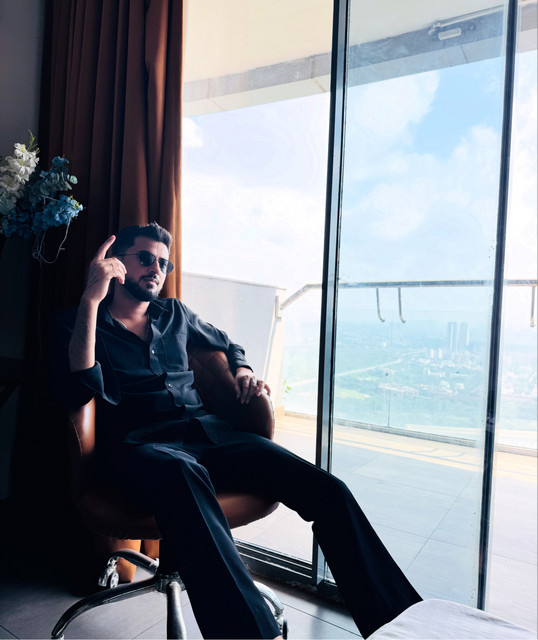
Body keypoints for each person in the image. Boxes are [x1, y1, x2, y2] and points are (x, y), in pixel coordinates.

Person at [51, 222, 421, 639]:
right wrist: (91, 298)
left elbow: (227, 343)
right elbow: (76, 390)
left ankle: (400, 624)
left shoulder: (175, 314)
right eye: (145, 259)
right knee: (181, 473)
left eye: (163, 263)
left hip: (208, 435)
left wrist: (242, 368)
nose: (156, 269)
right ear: (117, 264)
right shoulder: (79, 322)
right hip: (140, 447)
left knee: (327, 490)